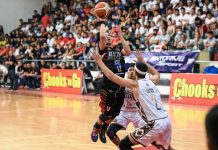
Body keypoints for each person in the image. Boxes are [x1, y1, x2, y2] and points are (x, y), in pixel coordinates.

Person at [92, 50, 173, 150]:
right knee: (167, 148)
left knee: (124, 145)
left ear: (135, 72)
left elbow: (111, 76)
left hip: (154, 123)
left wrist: (99, 61)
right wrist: (142, 61)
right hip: (166, 120)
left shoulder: (134, 85)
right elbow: (156, 73)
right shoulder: (152, 81)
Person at [91, 18, 132, 144]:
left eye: (110, 36)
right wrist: (103, 21)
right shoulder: (103, 50)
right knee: (106, 114)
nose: (108, 37)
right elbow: (102, 35)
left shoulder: (117, 49)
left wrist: (120, 36)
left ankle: (104, 129)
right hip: (108, 87)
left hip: (121, 85)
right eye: (106, 36)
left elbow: (129, 51)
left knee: (115, 113)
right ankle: (95, 129)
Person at [106, 63, 145, 147]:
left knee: (149, 134)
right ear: (127, 72)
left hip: (138, 113)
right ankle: (121, 147)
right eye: (130, 70)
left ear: (137, 73)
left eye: (133, 70)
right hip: (123, 113)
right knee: (110, 132)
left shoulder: (140, 84)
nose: (131, 72)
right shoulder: (121, 83)